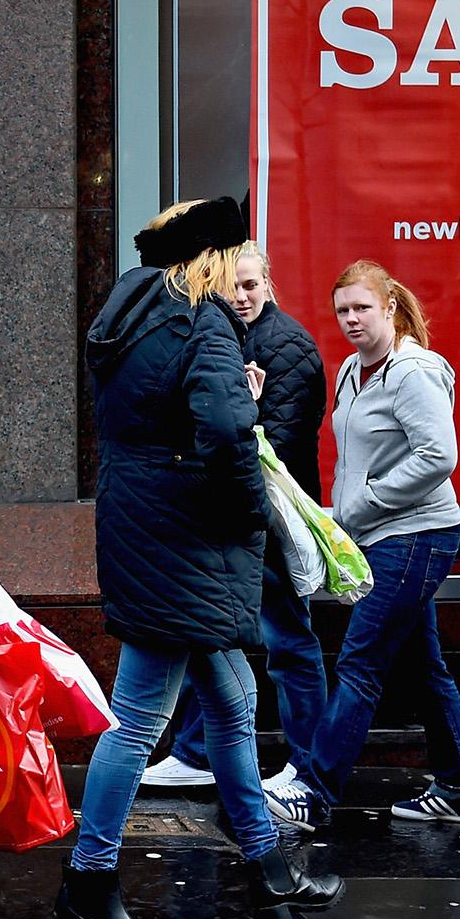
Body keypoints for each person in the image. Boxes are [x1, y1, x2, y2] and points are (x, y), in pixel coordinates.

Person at [56, 199, 341, 919]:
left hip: (142, 525)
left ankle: (267, 867)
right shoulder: (202, 321)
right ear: (212, 258)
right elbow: (222, 434)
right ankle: (88, 883)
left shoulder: (128, 320)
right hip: (189, 543)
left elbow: (156, 417)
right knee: (141, 719)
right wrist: (251, 509)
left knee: (234, 698)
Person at [265, 260, 460, 833]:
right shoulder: (353, 371)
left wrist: (363, 504)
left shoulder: (415, 370)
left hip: (416, 535)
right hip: (380, 536)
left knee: (360, 661)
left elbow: (439, 457)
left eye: (362, 307)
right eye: (342, 310)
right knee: (424, 667)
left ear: (389, 306)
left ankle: (314, 789)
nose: (352, 319)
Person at [141, 240, 330, 791]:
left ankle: (308, 767)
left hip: (268, 517)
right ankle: (198, 752)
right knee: (217, 637)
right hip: (236, 514)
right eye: (232, 285)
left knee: (288, 643)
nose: (242, 295)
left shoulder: (288, 345)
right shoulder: (220, 334)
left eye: (251, 284)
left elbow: (275, 449)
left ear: (268, 284)